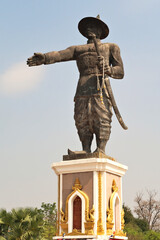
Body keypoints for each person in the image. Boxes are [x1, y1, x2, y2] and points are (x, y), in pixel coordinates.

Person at [27, 16, 124, 154]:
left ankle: (101, 149)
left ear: (100, 30)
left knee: (102, 117)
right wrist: (45, 58)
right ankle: (85, 149)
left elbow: (120, 71)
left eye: (93, 25)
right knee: (81, 118)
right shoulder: (77, 49)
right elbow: (60, 54)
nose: (89, 28)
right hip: (82, 89)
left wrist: (109, 70)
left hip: (100, 88)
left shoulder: (111, 47)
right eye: (87, 26)